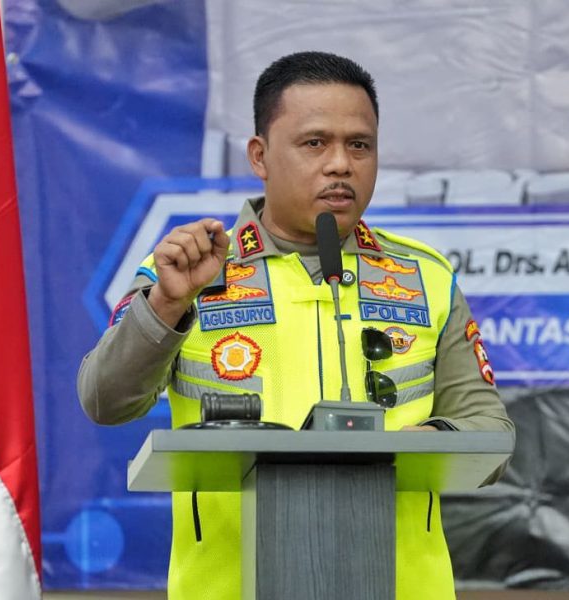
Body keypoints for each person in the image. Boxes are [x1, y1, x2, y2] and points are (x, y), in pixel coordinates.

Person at [77, 51, 514, 600]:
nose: (340, 165)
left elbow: (490, 431)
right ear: (259, 156)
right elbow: (104, 400)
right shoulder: (189, 272)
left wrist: (425, 443)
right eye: (315, 143)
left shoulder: (423, 277)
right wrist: (166, 305)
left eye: (360, 145)